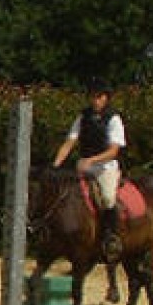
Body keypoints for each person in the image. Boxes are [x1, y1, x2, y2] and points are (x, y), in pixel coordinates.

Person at [50, 79, 127, 262]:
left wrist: (92, 160)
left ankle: (111, 237)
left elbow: (114, 150)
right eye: (92, 97)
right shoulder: (83, 117)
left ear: (106, 98)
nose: (95, 100)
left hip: (105, 167)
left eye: (98, 97)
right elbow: (69, 143)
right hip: (84, 166)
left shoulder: (114, 119)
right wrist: (55, 166)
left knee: (108, 197)